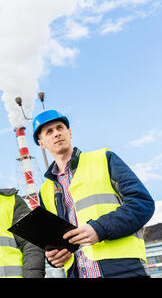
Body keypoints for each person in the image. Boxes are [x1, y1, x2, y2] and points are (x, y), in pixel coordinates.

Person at [33, 109, 155, 278]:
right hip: (78, 273)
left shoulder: (104, 159)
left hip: (123, 270)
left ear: (69, 132)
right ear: (42, 143)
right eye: (49, 131)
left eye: (60, 128)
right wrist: (53, 257)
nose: (57, 134)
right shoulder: (46, 190)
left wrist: (99, 229)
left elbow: (142, 203)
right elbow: (51, 240)